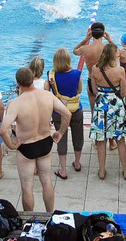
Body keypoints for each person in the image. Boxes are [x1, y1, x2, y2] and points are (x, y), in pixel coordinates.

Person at [0, 67, 71, 212]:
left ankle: (28, 220)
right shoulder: (47, 96)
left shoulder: (16, 103)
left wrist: (12, 145)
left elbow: (2, 130)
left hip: (26, 147)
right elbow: (67, 114)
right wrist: (60, 132)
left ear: (18, 83)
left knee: (27, 186)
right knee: (46, 181)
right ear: (33, 79)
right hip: (45, 143)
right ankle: (49, 214)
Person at [90, 43, 126, 180]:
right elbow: (123, 93)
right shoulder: (120, 71)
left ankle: (101, 171)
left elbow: (94, 91)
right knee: (120, 140)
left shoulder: (94, 69)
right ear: (114, 56)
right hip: (116, 107)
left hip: (101, 106)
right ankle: (125, 171)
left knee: (101, 141)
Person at [45, 47, 83, 179]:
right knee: (78, 135)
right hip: (76, 109)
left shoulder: (51, 75)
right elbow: (80, 90)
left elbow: (47, 93)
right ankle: (77, 163)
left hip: (58, 111)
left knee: (60, 137)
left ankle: (63, 170)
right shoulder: (77, 73)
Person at [73, 22, 114, 111]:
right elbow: (119, 52)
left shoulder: (85, 48)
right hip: (105, 82)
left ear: (91, 34)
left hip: (92, 81)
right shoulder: (108, 48)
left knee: (93, 111)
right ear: (103, 34)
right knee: (106, 111)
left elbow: (75, 51)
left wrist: (85, 39)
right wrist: (110, 40)